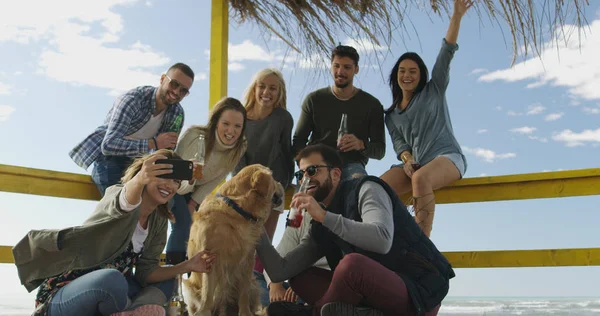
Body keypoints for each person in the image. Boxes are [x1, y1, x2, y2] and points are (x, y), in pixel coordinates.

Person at [256, 144, 455, 316]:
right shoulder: (321, 222)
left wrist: (324, 217)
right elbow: (279, 271)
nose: (305, 180)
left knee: (352, 265)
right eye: (300, 174)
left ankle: (315, 312)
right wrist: (254, 226)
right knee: (300, 276)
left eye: (313, 170)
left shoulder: (367, 189)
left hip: (419, 294)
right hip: (373, 297)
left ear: (335, 174)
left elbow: (382, 240)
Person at [13, 149, 216, 316]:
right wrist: (139, 180)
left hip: (113, 297)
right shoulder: (117, 194)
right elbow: (124, 202)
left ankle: (133, 312)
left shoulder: (159, 221)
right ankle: (135, 309)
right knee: (112, 280)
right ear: (144, 176)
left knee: (168, 277)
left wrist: (188, 265)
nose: (170, 186)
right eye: (164, 177)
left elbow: (146, 272)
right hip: (68, 294)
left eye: (175, 182)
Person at [380, 0, 472, 238]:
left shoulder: (434, 90)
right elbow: (401, 146)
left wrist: (457, 16)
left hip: (447, 158)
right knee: (377, 187)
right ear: (395, 76)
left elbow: (446, 51)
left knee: (420, 178)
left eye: (413, 71)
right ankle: (391, 238)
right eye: (402, 71)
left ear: (421, 75)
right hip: (417, 164)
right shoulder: (391, 115)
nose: (407, 75)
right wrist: (408, 160)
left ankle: (423, 248)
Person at [69, 63, 195, 196]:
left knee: (157, 203)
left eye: (183, 90)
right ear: (163, 79)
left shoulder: (177, 113)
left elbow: (166, 154)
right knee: (119, 205)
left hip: (141, 164)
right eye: (174, 84)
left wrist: (185, 170)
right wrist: (153, 144)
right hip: (110, 159)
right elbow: (108, 145)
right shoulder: (133, 99)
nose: (176, 92)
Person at [165, 97, 247, 265]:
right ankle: (170, 280)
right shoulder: (195, 137)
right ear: (216, 121)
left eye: (237, 126)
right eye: (226, 123)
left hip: (195, 193)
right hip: (174, 186)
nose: (231, 131)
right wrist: (190, 178)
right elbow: (175, 180)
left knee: (200, 231)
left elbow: (218, 177)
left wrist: (193, 204)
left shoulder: (240, 146)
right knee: (183, 225)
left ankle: (186, 280)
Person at [292, 45, 385, 180]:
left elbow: (380, 150)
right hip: (317, 164)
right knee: (303, 198)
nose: (340, 71)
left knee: (363, 186)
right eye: (336, 66)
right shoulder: (314, 99)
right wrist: (306, 165)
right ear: (331, 66)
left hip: (352, 166)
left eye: (347, 67)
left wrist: (360, 144)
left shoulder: (372, 105)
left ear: (356, 69)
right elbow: (298, 141)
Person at [264, 211, 329, 305]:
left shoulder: (343, 214)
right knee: (250, 284)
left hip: (325, 288)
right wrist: (275, 286)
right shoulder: (300, 217)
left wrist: (303, 286)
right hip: (294, 289)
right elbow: (279, 255)